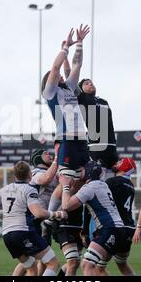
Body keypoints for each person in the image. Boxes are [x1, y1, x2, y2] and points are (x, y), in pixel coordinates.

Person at [0, 161, 67, 276]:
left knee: (31, 269)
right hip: (23, 232)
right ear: (30, 175)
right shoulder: (29, 189)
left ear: (15, 175)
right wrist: (57, 214)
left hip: (7, 235)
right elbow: (38, 213)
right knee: (53, 263)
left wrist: (6, 209)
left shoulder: (4, 189)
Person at [61, 160, 132, 276]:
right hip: (118, 229)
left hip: (109, 229)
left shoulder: (90, 187)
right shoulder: (103, 184)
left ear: (88, 172)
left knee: (87, 265)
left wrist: (65, 186)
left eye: (82, 170)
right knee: (99, 268)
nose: (80, 173)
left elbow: (66, 206)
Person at [42, 25, 90, 181]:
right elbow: (55, 67)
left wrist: (80, 43)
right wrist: (65, 48)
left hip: (81, 137)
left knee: (83, 176)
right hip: (66, 137)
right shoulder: (50, 93)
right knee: (66, 177)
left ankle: (76, 205)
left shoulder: (68, 87)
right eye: (56, 76)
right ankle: (58, 206)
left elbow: (77, 65)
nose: (60, 76)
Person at [94, 157, 137, 276]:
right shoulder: (130, 185)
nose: (116, 163)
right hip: (129, 228)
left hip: (116, 227)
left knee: (97, 267)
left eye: (119, 162)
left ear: (124, 167)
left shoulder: (112, 182)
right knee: (122, 264)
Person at [77, 78, 118, 178]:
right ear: (81, 89)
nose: (90, 84)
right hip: (97, 147)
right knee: (99, 180)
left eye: (91, 83)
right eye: (86, 84)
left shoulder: (104, 101)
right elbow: (72, 84)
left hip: (111, 147)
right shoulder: (83, 98)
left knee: (112, 181)